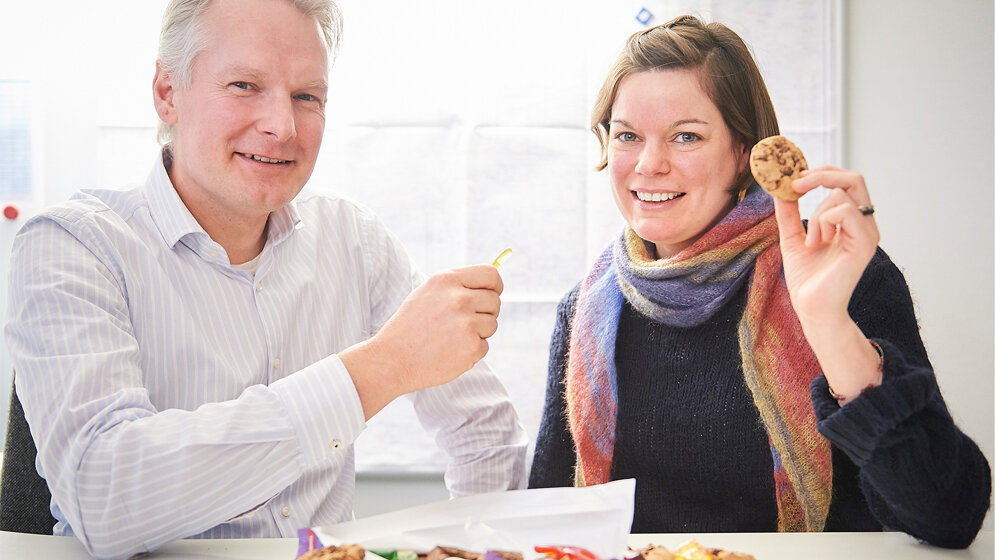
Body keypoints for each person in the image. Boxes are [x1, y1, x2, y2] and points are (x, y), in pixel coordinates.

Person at [3, 0, 528, 558]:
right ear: (167, 92)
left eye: (307, 96)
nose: (283, 126)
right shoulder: (71, 245)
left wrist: (474, 552)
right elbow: (104, 499)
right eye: (244, 85)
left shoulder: (353, 237)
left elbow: (485, 433)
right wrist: (385, 366)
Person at [528, 14, 991, 549]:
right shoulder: (585, 308)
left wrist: (825, 322)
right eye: (628, 135)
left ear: (745, 152)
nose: (649, 164)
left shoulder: (842, 275)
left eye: (686, 137)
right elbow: (547, 515)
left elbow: (949, 514)